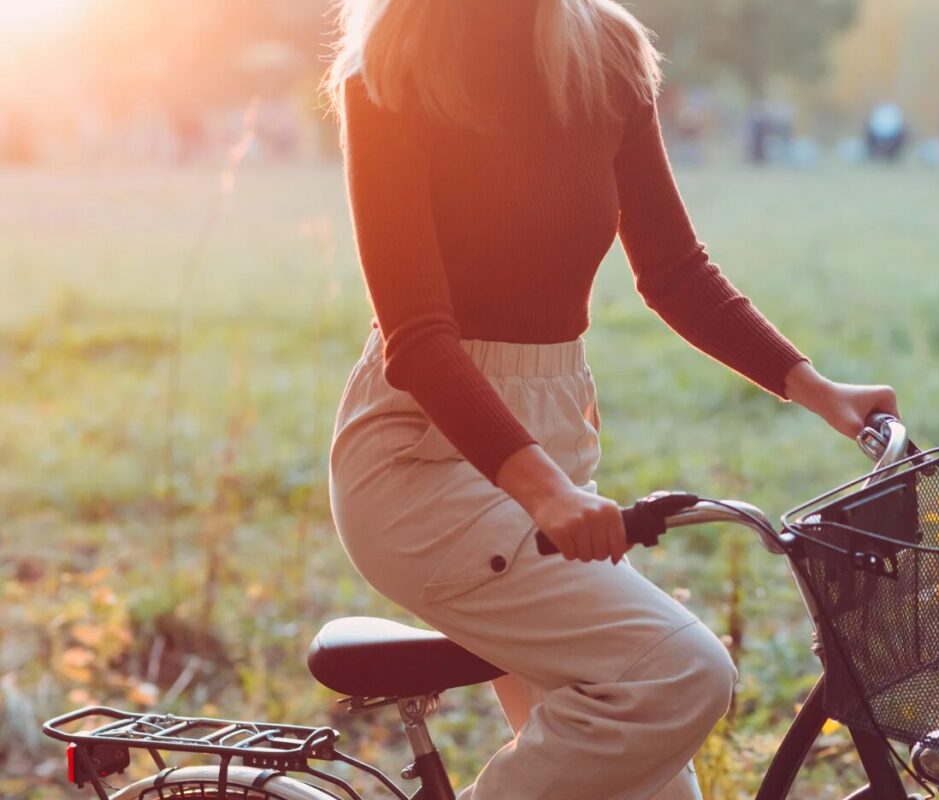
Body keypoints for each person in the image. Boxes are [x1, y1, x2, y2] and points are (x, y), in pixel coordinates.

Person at [320, 1, 899, 798]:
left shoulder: (604, 54)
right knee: (681, 673)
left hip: (551, 438)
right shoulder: (392, 67)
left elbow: (675, 272)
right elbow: (418, 337)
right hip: (422, 460)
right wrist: (544, 489)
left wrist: (815, 389)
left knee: (649, 786)